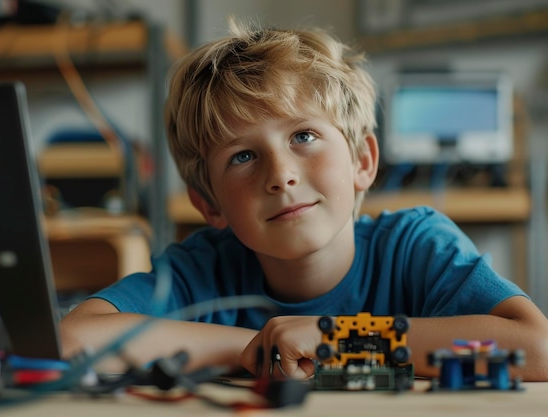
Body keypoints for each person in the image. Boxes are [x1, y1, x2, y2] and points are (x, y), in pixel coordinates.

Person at [60, 18, 548, 381]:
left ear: (363, 161)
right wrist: (260, 346)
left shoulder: (414, 245)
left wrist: (337, 340)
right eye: (243, 156)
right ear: (208, 203)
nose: (281, 176)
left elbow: (537, 347)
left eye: (304, 136)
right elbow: (74, 338)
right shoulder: (200, 272)